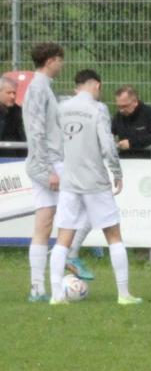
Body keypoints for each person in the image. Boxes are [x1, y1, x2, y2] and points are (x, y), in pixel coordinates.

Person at [47, 70, 142, 305]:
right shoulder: (97, 109)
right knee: (113, 235)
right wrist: (117, 172)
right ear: (97, 85)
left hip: (70, 180)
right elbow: (108, 147)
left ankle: (57, 295)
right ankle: (123, 294)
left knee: (62, 238)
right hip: (94, 181)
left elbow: (55, 144)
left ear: (76, 87)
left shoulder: (62, 108)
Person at [22, 43, 94, 302]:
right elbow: (36, 130)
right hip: (50, 164)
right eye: (61, 60)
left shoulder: (43, 88)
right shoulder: (38, 88)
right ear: (51, 60)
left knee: (44, 221)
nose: (62, 65)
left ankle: (38, 288)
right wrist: (47, 168)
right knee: (88, 206)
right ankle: (68, 255)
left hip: (49, 162)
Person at [111, 85, 151, 159]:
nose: (121, 110)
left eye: (125, 106)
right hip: (125, 163)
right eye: (119, 106)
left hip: (148, 162)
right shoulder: (118, 117)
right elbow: (109, 133)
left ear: (135, 102)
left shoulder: (150, 113)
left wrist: (131, 143)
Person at [0, 75, 25, 158]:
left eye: (14, 93)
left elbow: (23, 137)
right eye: (9, 93)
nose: (12, 96)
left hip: (15, 160)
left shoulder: (19, 112)